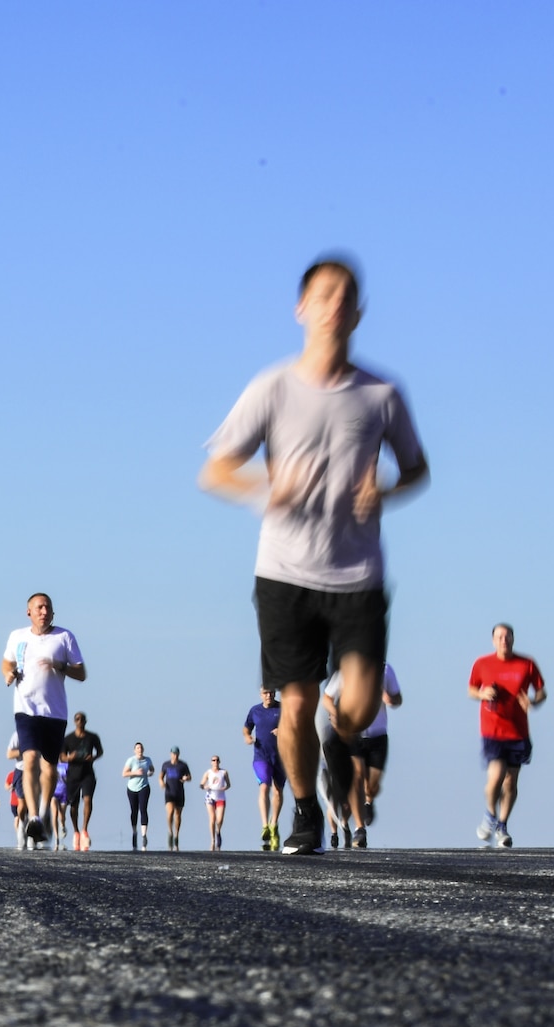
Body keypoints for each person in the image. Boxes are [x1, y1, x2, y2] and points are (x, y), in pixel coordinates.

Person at [199, 257, 431, 855]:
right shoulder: (272, 388)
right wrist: (263, 489)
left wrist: (386, 489)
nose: (334, 305)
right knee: (296, 704)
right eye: (323, 294)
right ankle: (306, 814)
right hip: (284, 572)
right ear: (301, 308)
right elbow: (216, 468)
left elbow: (418, 468)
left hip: (357, 575)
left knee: (354, 706)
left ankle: (341, 741)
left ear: (358, 313)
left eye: (346, 296)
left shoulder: (380, 394)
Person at [3, 593, 86, 850]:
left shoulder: (64, 637)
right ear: (29, 611)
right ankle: (34, 817)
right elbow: (6, 663)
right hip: (25, 708)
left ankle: (41, 809)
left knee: (49, 767)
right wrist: (9, 674)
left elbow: (81, 672)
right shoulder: (18, 637)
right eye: (39, 607)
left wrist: (60, 665)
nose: (44, 611)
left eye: (48, 608)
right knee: (29, 759)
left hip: (54, 711)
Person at [469, 624, 546, 849]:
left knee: (511, 780)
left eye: (507, 636)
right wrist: (482, 693)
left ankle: (502, 825)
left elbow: (541, 690)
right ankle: (490, 814)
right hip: (492, 730)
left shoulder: (527, 663)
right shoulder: (482, 663)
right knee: (496, 776)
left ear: (513, 639)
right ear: (493, 640)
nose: (504, 640)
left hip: (518, 731)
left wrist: (533, 701)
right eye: (499, 637)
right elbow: (471, 689)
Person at [321, 663, 402, 849]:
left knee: (372, 785)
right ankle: (359, 828)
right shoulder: (346, 671)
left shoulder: (385, 669)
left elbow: (398, 698)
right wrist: (336, 713)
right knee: (356, 776)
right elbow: (327, 698)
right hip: (353, 734)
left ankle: (369, 801)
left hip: (378, 736)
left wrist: (390, 699)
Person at [241, 688, 286, 851]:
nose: (269, 696)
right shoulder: (255, 711)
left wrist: (283, 730)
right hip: (261, 756)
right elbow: (246, 728)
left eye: (271, 693)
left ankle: (274, 825)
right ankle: (265, 825)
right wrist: (247, 737)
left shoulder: (282, 709)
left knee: (278, 791)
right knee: (264, 787)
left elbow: (295, 726)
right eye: (266, 693)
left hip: (281, 757)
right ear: (261, 694)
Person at [59, 714, 104, 852]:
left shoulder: (92, 737)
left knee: (88, 800)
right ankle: (76, 831)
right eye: (77, 719)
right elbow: (61, 757)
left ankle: (85, 829)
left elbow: (100, 751)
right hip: (73, 775)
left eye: (82, 719)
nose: (80, 722)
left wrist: (93, 757)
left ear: (85, 721)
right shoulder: (68, 739)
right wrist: (69, 757)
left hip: (88, 774)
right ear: (74, 722)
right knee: (74, 805)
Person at [121, 743, 155, 851]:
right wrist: (135, 772)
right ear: (134, 750)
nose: (140, 750)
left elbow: (152, 769)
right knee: (134, 811)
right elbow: (124, 774)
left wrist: (150, 773)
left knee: (143, 809)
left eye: (141, 748)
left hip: (144, 787)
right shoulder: (131, 760)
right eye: (137, 748)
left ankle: (144, 835)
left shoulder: (148, 760)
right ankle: (134, 832)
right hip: (132, 788)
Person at [160, 748, 192, 851]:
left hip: (179, 792)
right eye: (173, 754)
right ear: (170, 754)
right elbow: (161, 776)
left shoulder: (183, 765)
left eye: (177, 754)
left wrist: (186, 778)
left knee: (178, 814)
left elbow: (189, 777)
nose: (175, 755)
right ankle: (170, 831)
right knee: (170, 812)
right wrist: (161, 782)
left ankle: (176, 836)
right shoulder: (166, 764)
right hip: (169, 792)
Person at [198, 756, 230, 850]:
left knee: (219, 820)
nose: (215, 762)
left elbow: (228, 784)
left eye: (217, 760)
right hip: (210, 797)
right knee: (212, 818)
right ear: (211, 762)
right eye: (213, 760)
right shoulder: (208, 772)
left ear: (219, 761)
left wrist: (224, 788)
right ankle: (212, 840)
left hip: (220, 797)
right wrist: (205, 787)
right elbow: (201, 784)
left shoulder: (223, 772)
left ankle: (218, 831)